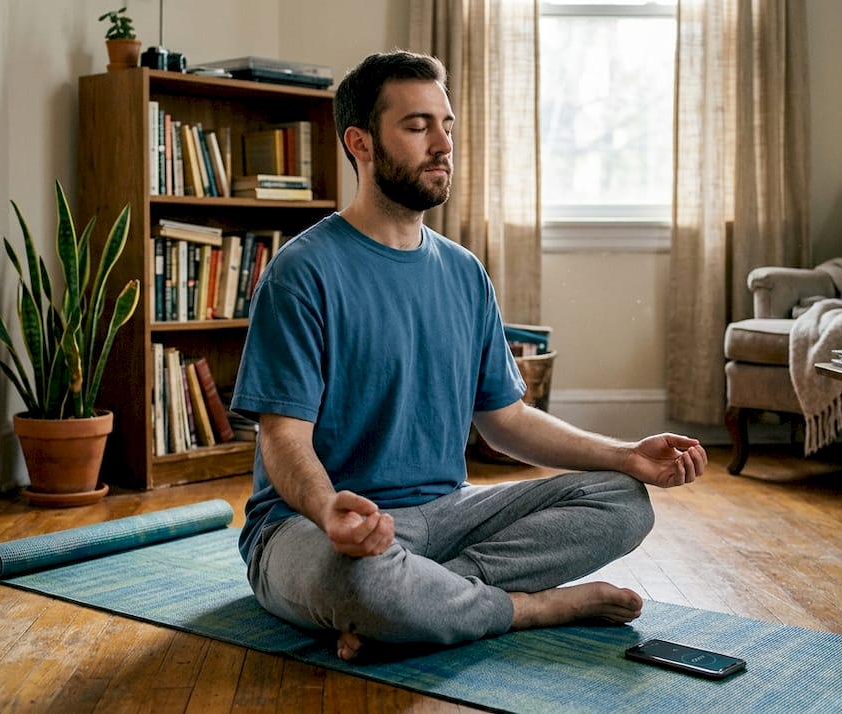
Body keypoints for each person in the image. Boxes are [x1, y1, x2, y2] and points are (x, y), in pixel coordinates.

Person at [230, 50, 707, 661]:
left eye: (446, 125)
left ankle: (423, 604)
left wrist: (625, 455)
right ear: (361, 143)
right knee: (363, 581)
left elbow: (505, 422)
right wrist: (329, 510)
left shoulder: (464, 272)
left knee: (621, 500)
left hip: (446, 516)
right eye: (416, 125)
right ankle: (526, 608)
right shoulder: (301, 272)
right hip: (315, 531)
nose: (442, 144)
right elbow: (283, 439)